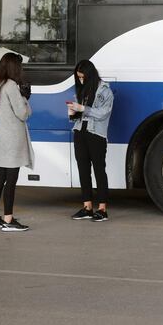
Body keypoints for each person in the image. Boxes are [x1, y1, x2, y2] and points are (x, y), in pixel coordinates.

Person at [0, 52, 33, 232]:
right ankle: (8, 220)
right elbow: (22, 113)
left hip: (0, 137)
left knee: (1, 177)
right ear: (14, 67)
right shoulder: (11, 85)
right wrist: (25, 99)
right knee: (11, 180)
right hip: (13, 139)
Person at [67, 60, 114, 222]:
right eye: (78, 78)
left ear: (90, 75)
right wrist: (72, 112)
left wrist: (83, 109)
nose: (80, 81)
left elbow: (103, 113)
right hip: (80, 132)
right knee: (83, 170)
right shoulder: (82, 90)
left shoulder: (105, 90)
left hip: (96, 135)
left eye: (83, 77)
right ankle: (87, 207)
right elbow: (77, 118)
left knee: (99, 170)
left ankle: (102, 209)